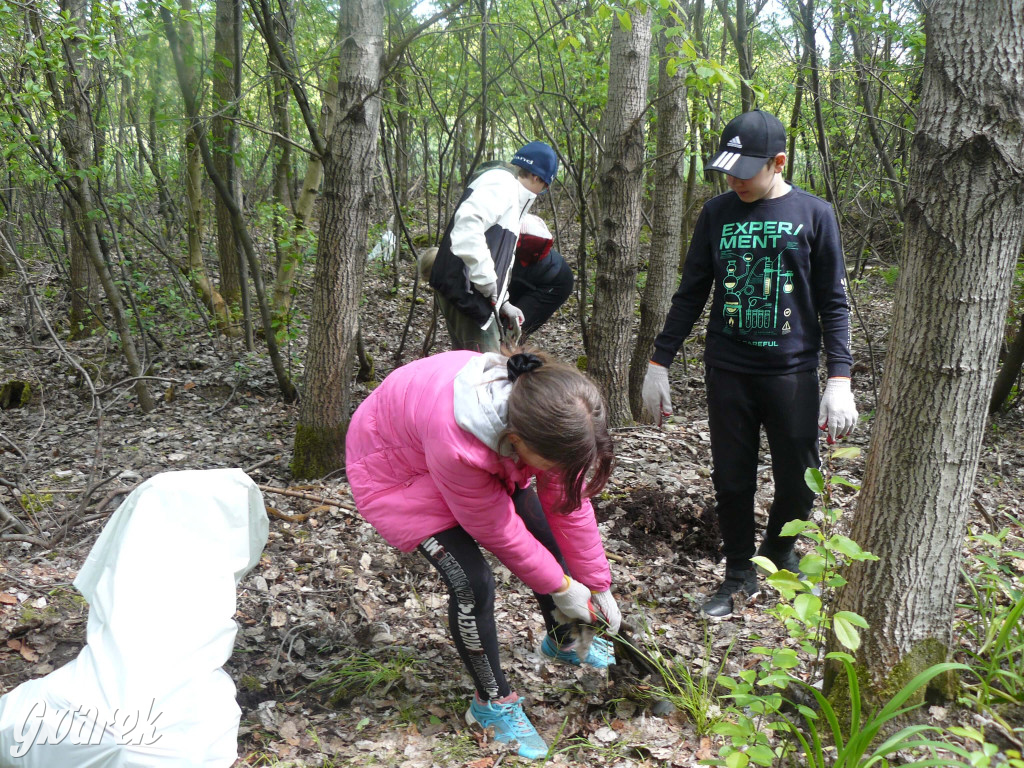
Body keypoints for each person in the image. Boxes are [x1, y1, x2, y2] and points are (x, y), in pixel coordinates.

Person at [345, 348, 623, 759]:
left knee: (549, 540)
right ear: (516, 442)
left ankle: (565, 640)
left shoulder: (547, 415)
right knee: (473, 583)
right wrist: (562, 586)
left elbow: (568, 505)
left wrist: (598, 586)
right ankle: (491, 703)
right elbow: (496, 529)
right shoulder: (458, 440)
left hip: (456, 452)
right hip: (395, 472)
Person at [641, 109, 858, 619]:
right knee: (732, 479)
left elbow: (833, 300)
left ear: (778, 162)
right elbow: (691, 290)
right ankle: (738, 574)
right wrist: (659, 362)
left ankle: (779, 552)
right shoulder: (716, 214)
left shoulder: (814, 214)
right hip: (729, 370)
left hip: (792, 372)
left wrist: (840, 377)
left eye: (747, 171)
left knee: (799, 478)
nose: (735, 180)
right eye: (729, 171)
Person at [429, 141, 559, 352]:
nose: (541, 192)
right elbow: (467, 226)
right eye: (544, 187)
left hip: (471, 291)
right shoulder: (501, 184)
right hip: (467, 291)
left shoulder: (512, 196)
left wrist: (504, 303)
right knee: (485, 373)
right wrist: (487, 280)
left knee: (471, 364)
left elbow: (498, 255)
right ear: (536, 177)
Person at [508, 214, 575, 338]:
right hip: (526, 276)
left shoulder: (524, 236)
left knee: (512, 330)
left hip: (554, 282)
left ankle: (508, 356)